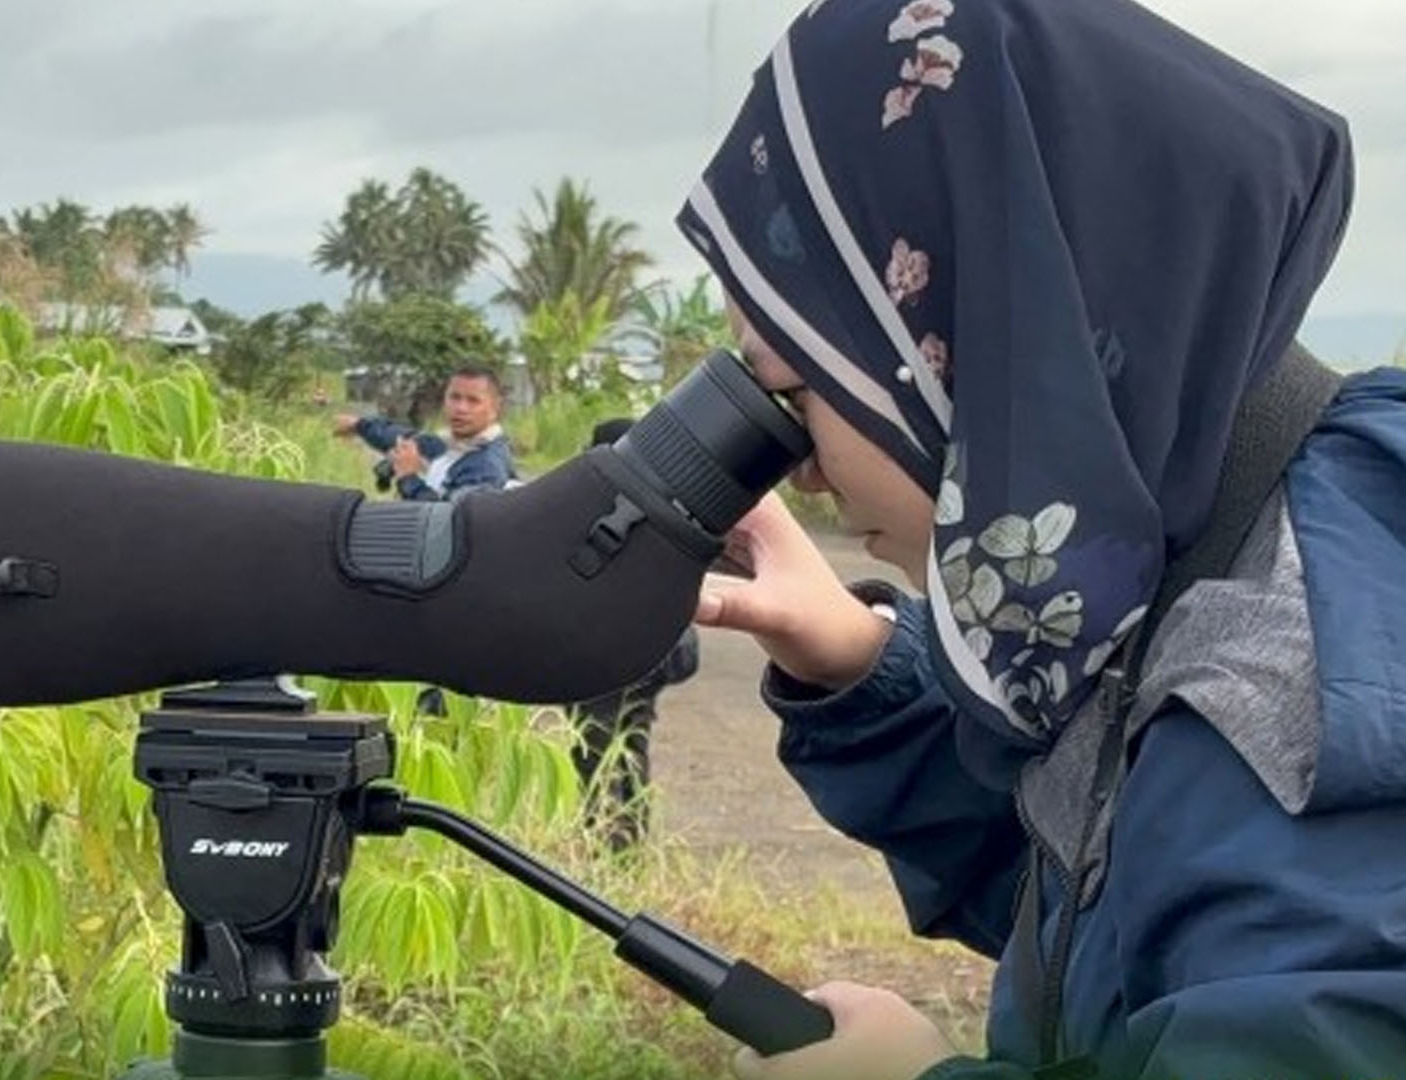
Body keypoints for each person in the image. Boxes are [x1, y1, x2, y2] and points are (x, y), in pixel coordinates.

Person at [677, 1, 1406, 1078]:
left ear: (970, 342)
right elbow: (1116, 909)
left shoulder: (1285, 682)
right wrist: (862, 669)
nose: (804, 469)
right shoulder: (1203, 539)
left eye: (799, 389)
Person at [569, 418, 701, 852]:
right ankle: (629, 843)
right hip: (652, 655)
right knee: (631, 743)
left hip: (602, 657)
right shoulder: (674, 508)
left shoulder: (596, 511)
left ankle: (601, 840)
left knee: (592, 749)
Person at [332, 366, 515, 502]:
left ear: (494, 408)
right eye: (454, 397)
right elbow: (400, 437)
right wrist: (358, 425)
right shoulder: (453, 443)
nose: (460, 408)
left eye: (473, 401)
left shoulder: (486, 466)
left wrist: (408, 478)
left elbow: (450, 524)